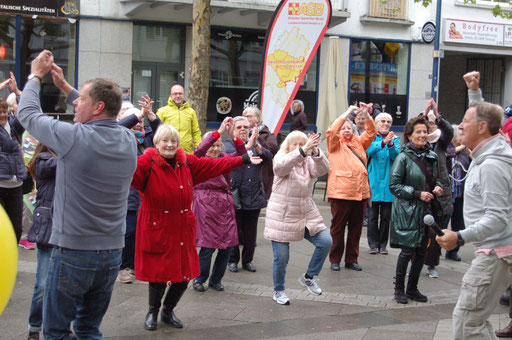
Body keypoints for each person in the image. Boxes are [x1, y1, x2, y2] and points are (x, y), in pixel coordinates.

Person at [18, 50, 138, 339]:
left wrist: (35, 76)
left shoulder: (74, 138)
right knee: (88, 328)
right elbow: (103, 111)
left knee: (57, 331)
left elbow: (27, 114)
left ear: (96, 107)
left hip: (74, 252)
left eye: (80, 100)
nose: (74, 105)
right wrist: (65, 87)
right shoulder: (128, 139)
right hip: (111, 254)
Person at [131, 123, 261, 331]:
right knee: (158, 277)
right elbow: (128, 172)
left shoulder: (186, 162)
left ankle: (168, 310)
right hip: (157, 226)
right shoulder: (147, 162)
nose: (170, 144)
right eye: (165, 140)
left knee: (183, 277)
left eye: (173, 141)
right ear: (156, 142)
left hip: (182, 226)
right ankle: (152, 312)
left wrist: (244, 158)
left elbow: (215, 165)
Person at [436, 101, 512, 340]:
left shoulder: (492, 165)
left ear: (481, 128)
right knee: (474, 320)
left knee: (468, 323)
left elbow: (497, 218)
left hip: (495, 253)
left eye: (465, 122)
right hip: (497, 250)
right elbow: (490, 117)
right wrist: (474, 92)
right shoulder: (494, 150)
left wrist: (459, 237)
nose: (460, 126)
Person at [264, 131, 331, 305]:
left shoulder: (307, 160)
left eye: (303, 143)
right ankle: (279, 290)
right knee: (282, 257)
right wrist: (302, 151)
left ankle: (309, 277)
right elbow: (280, 168)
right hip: (282, 214)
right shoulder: (281, 156)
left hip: (305, 211)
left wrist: (315, 152)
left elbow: (323, 169)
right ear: (287, 145)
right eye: (295, 144)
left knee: (325, 241)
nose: (300, 147)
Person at [389, 116, 443, 304]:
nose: (422, 135)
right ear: (410, 136)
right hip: (408, 211)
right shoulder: (403, 157)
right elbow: (394, 186)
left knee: (421, 252)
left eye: (424, 132)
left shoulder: (432, 156)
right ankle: (398, 290)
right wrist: (417, 193)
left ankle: (412, 289)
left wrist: (437, 187)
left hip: (426, 210)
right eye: (418, 132)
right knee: (407, 251)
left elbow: (436, 179)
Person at [192, 117, 246, 292]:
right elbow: (199, 150)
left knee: (227, 247)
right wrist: (218, 132)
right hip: (205, 206)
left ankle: (216, 280)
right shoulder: (198, 161)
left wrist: (234, 137)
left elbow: (241, 155)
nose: (215, 148)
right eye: (212, 145)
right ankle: (199, 279)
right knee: (208, 246)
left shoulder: (224, 160)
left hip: (225, 207)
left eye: (218, 145)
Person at [116, 97, 162, 284]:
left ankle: (136, 265)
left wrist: (150, 114)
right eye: (135, 121)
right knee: (130, 231)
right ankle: (124, 267)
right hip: (129, 196)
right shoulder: (121, 137)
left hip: (149, 196)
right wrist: (138, 115)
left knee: (145, 232)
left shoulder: (149, 138)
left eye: (140, 122)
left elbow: (164, 132)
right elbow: (117, 127)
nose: (138, 124)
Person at [326, 103, 376, 272]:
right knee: (338, 228)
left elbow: (371, 132)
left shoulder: (358, 142)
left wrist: (366, 115)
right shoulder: (334, 143)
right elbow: (332, 131)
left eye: (349, 127)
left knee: (355, 229)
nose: (346, 130)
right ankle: (335, 259)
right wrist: (347, 112)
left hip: (360, 193)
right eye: (344, 128)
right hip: (341, 193)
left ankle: (351, 259)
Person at [225, 116, 273, 273]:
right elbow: (229, 159)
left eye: (245, 127)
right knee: (235, 230)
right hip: (235, 193)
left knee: (251, 232)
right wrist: (246, 146)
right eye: (239, 127)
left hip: (254, 193)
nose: (243, 129)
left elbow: (268, 157)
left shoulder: (256, 146)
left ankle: (247, 261)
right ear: (232, 130)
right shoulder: (227, 146)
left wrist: (255, 143)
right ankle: (233, 260)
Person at [25, 143, 57, 340]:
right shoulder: (44, 160)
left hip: (67, 228)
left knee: (64, 285)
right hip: (48, 229)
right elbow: (65, 163)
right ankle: (34, 328)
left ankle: (60, 326)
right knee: (43, 284)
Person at [423, 98, 454, 278]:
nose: (430, 126)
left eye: (433, 123)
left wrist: (437, 113)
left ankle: (432, 264)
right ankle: (416, 262)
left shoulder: (441, 143)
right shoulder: (419, 142)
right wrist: (423, 114)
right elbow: (413, 128)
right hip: (423, 192)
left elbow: (449, 131)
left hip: (441, 193)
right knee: (420, 232)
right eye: (428, 124)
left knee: (437, 230)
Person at [366, 112, 400, 255]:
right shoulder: (371, 136)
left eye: (388, 121)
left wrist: (390, 144)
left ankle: (383, 245)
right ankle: (373, 244)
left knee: (386, 217)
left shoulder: (396, 139)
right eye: (383, 121)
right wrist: (382, 143)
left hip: (388, 183)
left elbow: (397, 155)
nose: (386, 124)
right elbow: (369, 151)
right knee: (372, 216)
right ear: (377, 123)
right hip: (373, 181)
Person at [0, 75, 26, 244]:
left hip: (16, 184)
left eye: (4, 111)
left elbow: (27, 111)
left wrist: (17, 92)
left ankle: (9, 263)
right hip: (0, 184)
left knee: (16, 228)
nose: (2, 114)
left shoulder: (14, 125)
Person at [243, 106, 278, 199]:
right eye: (245, 116)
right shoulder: (241, 133)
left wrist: (257, 138)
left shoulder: (267, 135)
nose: (247, 118)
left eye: (250, 116)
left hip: (261, 178)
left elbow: (272, 151)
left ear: (258, 118)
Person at [445, 130, 470, 262]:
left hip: (460, 195)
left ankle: (452, 251)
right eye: (461, 136)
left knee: (458, 224)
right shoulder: (447, 149)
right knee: (443, 223)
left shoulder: (466, 153)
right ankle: (433, 250)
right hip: (447, 195)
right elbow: (445, 155)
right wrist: (458, 148)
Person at [156, 84, 202, 154]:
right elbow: (156, 132)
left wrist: (200, 149)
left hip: (186, 153)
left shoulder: (191, 112)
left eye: (180, 94)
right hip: (167, 152)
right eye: (175, 94)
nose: (178, 96)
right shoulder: (162, 111)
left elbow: (196, 132)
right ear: (171, 95)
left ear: (184, 95)